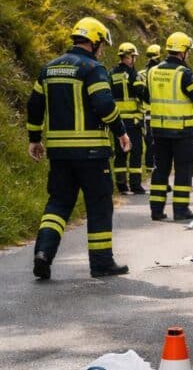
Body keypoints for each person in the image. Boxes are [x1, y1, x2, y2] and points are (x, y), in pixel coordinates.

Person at [26, 17, 131, 280]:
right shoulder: (92, 68)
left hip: (59, 154)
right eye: (101, 45)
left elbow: (34, 106)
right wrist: (121, 131)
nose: (102, 51)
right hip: (91, 153)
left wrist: (34, 138)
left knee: (59, 203)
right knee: (99, 204)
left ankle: (43, 254)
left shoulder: (48, 69)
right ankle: (101, 263)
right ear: (94, 42)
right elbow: (104, 105)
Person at [148, 32, 193, 221]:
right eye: (187, 51)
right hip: (181, 131)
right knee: (183, 170)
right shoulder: (184, 73)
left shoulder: (152, 71)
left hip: (158, 130)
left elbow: (145, 95)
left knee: (160, 170)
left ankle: (156, 210)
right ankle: (180, 210)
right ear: (182, 52)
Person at [109, 43, 149, 194]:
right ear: (127, 56)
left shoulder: (111, 73)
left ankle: (121, 185)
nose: (134, 60)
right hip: (133, 120)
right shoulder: (134, 75)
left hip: (117, 121)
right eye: (133, 57)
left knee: (120, 153)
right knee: (136, 152)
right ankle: (135, 184)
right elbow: (142, 93)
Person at [141, 44, 162, 170]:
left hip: (146, 113)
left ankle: (150, 167)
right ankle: (154, 168)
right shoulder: (160, 74)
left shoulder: (141, 74)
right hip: (157, 113)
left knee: (149, 142)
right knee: (156, 143)